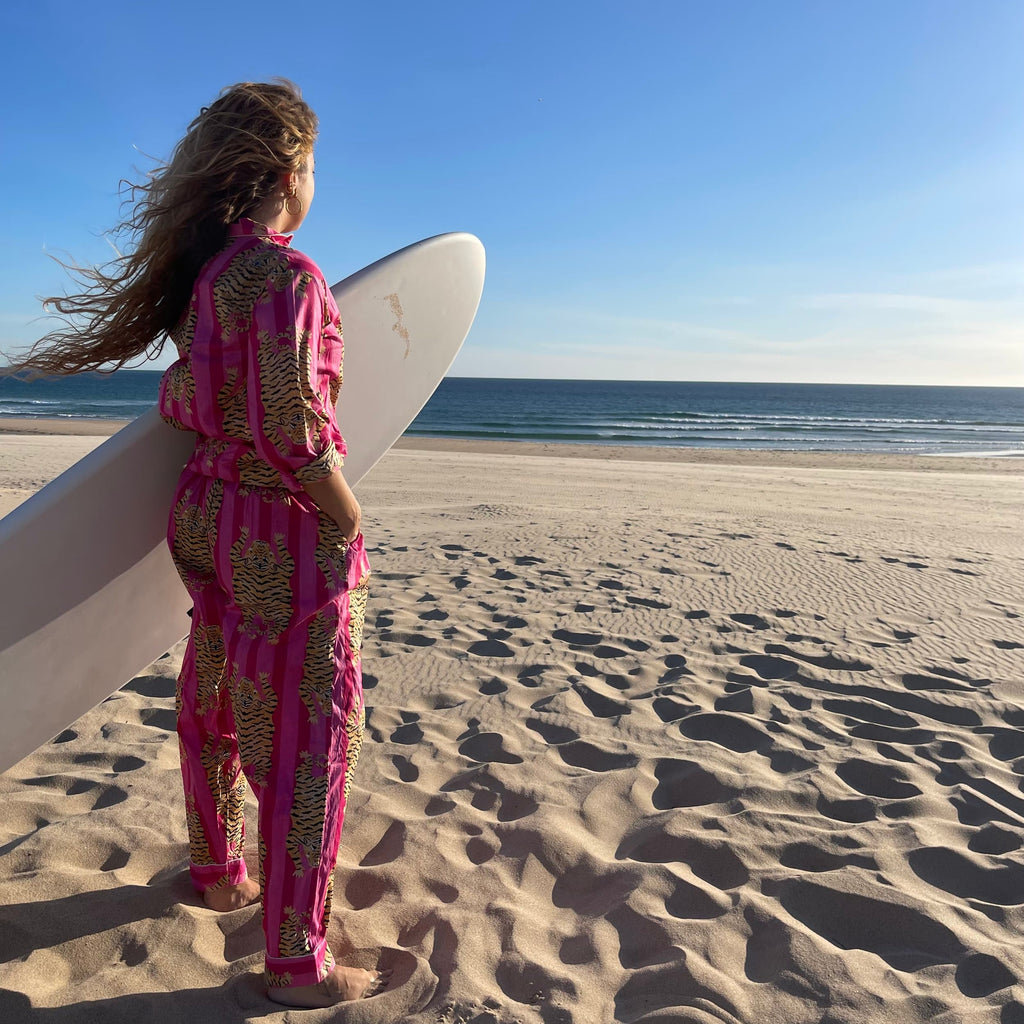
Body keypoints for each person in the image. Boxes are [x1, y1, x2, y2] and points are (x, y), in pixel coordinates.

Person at [8, 80, 387, 1008]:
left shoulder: (207, 280)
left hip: (205, 511)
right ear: (291, 167)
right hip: (280, 521)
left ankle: (220, 869)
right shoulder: (290, 277)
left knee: (215, 685)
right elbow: (294, 425)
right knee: (306, 734)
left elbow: (185, 400)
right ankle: (297, 962)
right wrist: (346, 510)